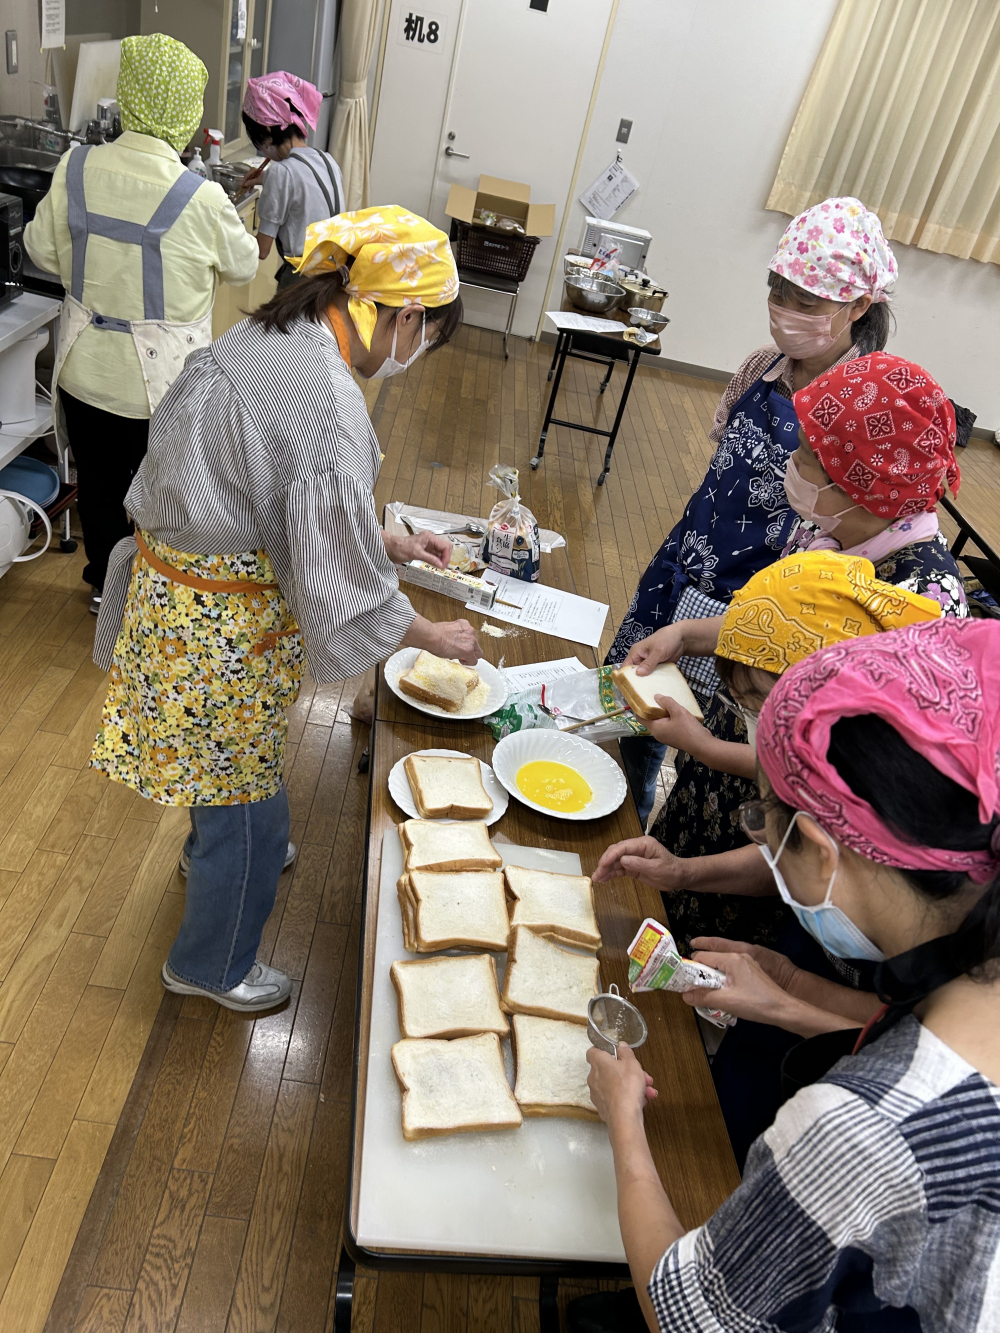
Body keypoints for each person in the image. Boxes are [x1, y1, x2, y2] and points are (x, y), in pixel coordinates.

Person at [90, 206, 470, 1013]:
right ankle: (210, 964)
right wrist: (432, 634)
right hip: (216, 633)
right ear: (406, 316)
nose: (414, 355)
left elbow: (267, 495)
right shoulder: (325, 396)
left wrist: (388, 539)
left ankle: (212, 848)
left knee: (217, 774)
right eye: (426, 336)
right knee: (251, 812)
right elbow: (338, 577)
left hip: (177, 603)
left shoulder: (273, 331)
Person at [578, 615, 1000, 1333]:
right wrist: (794, 991)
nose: (763, 839)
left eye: (763, 820)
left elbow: (686, 1316)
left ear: (817, 846)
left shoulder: (853, 1128)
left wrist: (623, 1119)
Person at [613, 354, 968, 954]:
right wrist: (689, 634)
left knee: (711, 959)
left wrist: (705, 748)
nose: (791, 466)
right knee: (662, 913)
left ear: (862, 482)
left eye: (807, 458)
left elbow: (838, 786)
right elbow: (777, 625)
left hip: (778, 845)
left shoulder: (920, 606)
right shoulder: (835, 529)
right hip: (724, 786)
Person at [608, 196, 898, 830]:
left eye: (808, 303)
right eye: (779, 293)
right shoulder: (760, 369)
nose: (787, 312)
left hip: (757, 612)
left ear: (858, 307)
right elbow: (723, 468)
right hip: (684, 568)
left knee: (713, 758)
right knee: (633, 713)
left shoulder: (862, 407)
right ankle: (625, 811)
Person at [24, 34, 259, 615]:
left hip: (85, 370)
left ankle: (106, 588)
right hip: (165, 386)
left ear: (127, 96)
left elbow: (40, 249)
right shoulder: (202, 198)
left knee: (99, 485)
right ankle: (152, 603)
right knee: (164, 495)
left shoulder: (76, 167)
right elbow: (244, 265)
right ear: (187, 112)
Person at [239, 71, 344, 286]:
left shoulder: (281, 173)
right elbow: (305, 186)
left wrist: (230, 232)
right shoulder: (328, 161)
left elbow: (261, 250)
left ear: (267, 129)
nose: (262, 151)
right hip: (334, 278)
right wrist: (263, 179)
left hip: (301, 283)